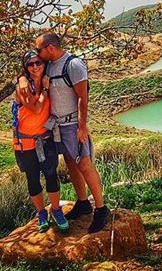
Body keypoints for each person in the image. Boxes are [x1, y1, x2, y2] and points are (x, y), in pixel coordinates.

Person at [35, 31, 110, 233]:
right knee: (70, 162)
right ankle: (83, 203)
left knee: (84, 163)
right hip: (57, 125)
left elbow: (82, 98)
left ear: (50, 48)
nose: (37, 53)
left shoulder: (74, 65)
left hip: (73, 124)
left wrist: (82, 126)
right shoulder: (49, 65)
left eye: (39, 49)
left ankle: (102, 210)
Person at [13, 50, 69, 232]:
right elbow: (36, 109)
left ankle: (55, 209)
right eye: (30, 64)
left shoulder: (48, 78)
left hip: (46, 139)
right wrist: (43, 89)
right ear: (25, 68)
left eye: (38, 62)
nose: (35, 66)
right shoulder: (23, 86)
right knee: (33, 178)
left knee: (51, 174)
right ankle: (41, 212)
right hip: (26, 143)